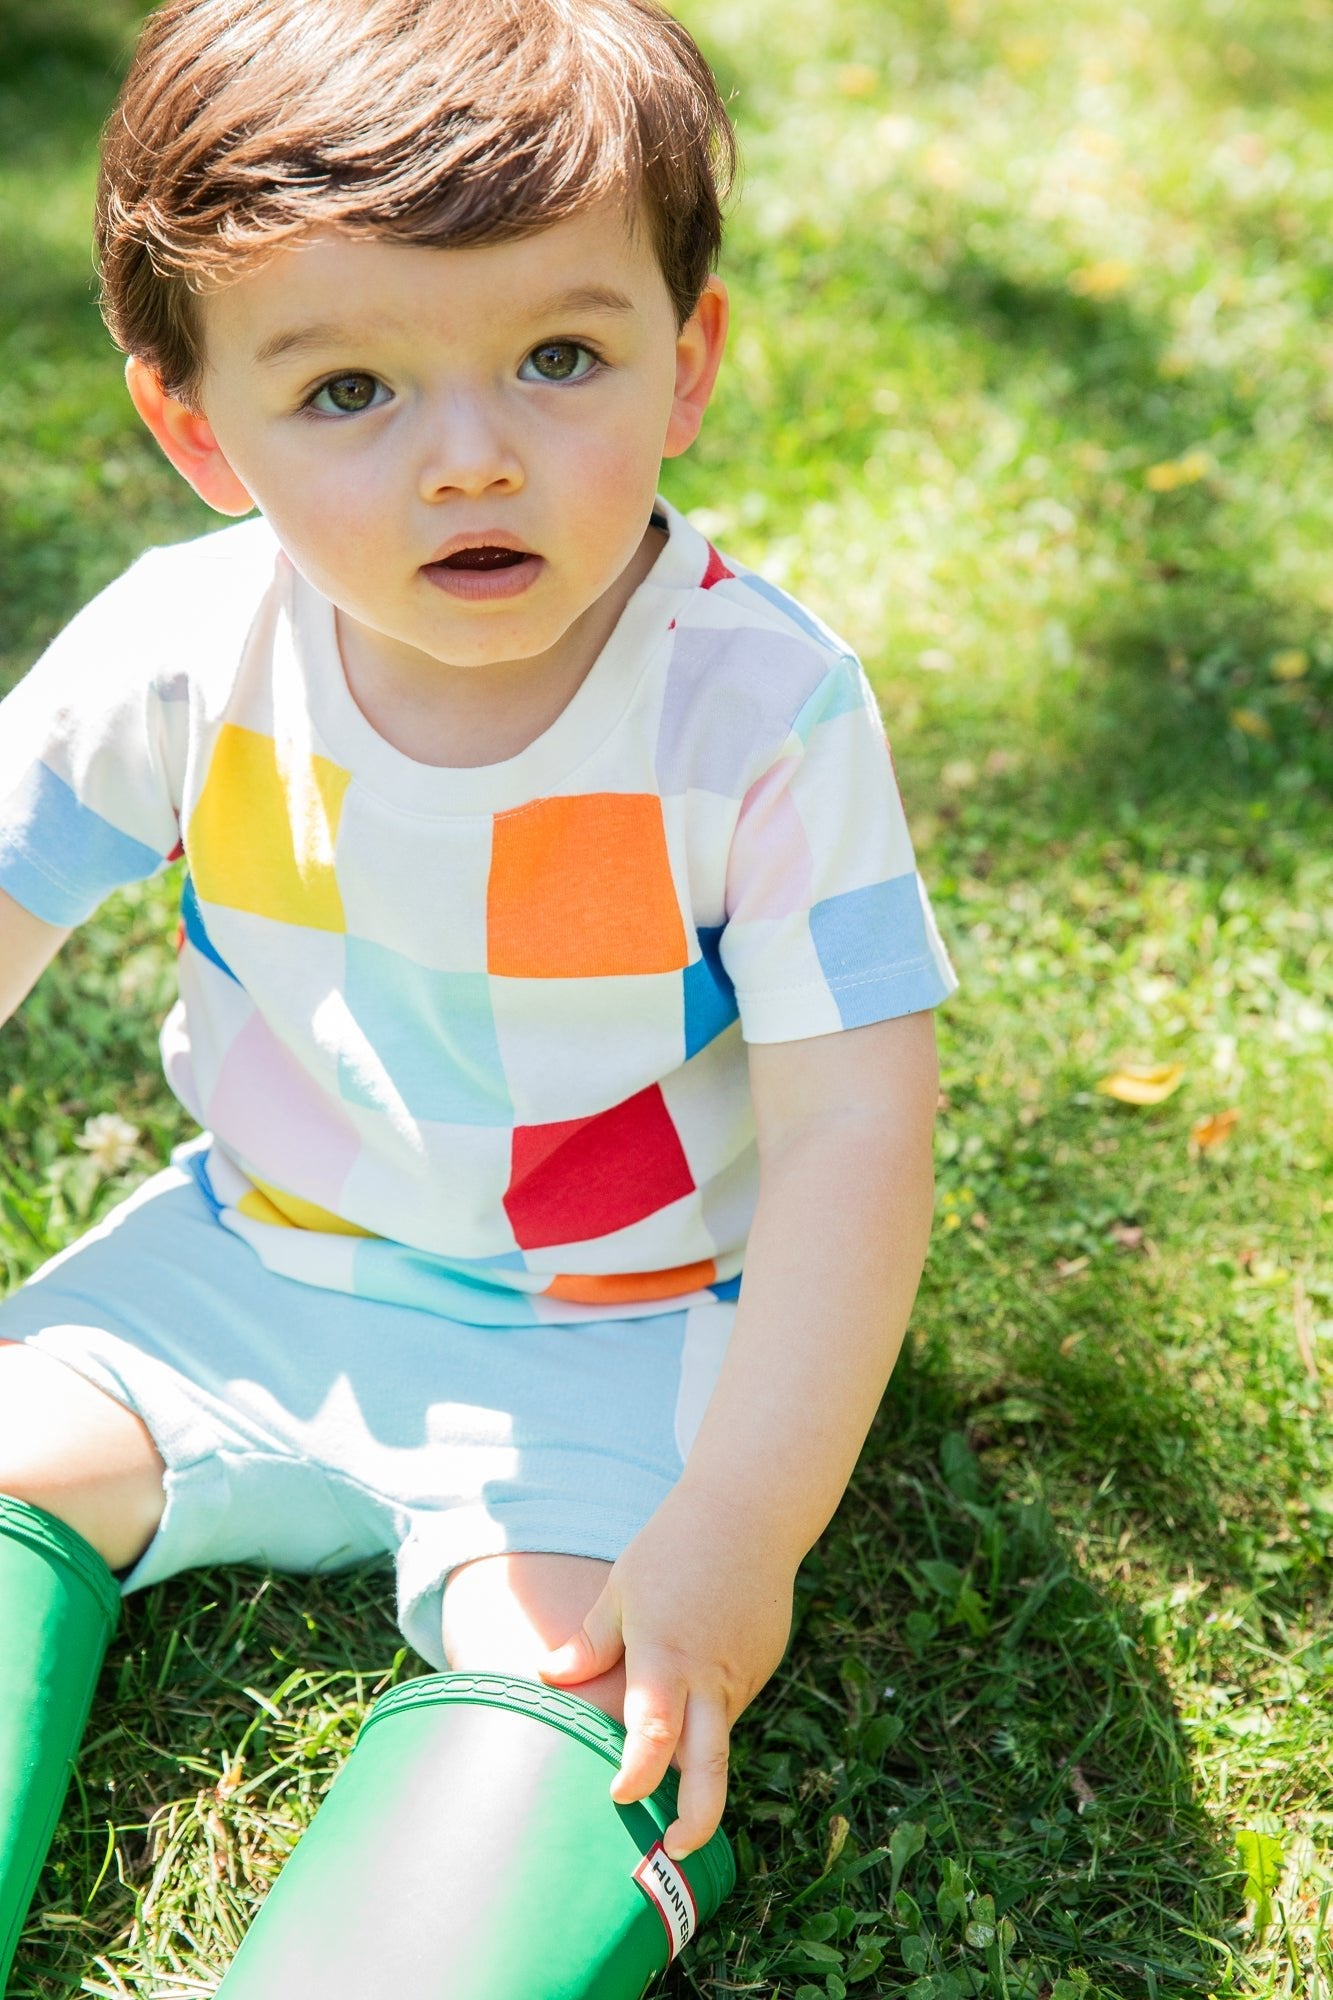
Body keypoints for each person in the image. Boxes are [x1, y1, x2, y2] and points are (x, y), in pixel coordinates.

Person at [0, 0, 956, 1987]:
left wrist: (748, 1515)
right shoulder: (177, 653)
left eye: (556, 356)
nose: (471, 456)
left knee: (599, 1662)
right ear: (196, 427)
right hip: (256, 1255)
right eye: (346, 389)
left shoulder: (756, 712)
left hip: (622, 1335)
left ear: (684, 360)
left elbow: (858, 1127)